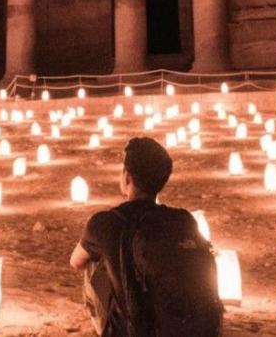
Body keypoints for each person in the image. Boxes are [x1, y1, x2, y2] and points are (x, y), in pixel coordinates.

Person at [70, 137, 222, 336]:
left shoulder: (107, 222)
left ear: (127, 176)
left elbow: (76, 261)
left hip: (139, 331)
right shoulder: (184, 220)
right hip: (195, 328)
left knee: (93, 264)